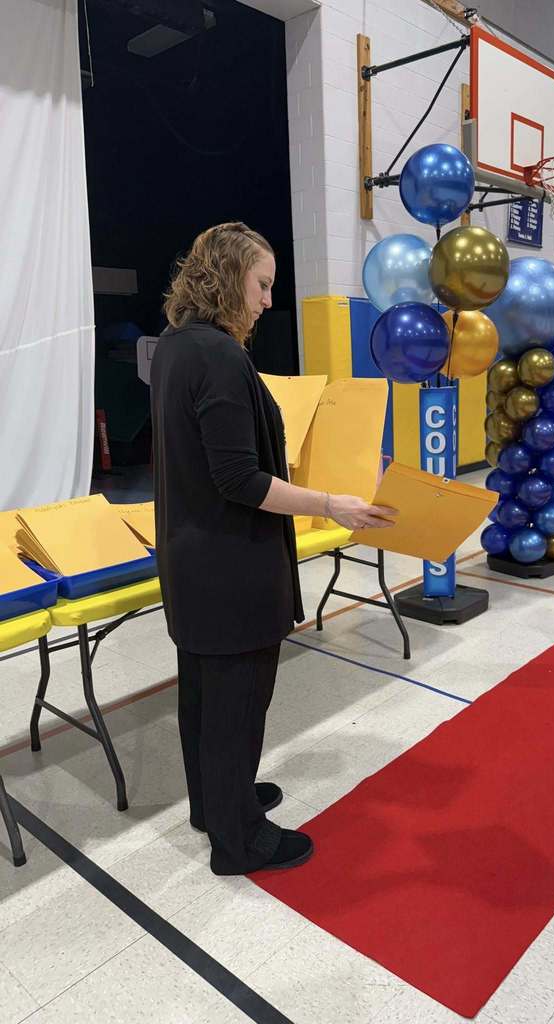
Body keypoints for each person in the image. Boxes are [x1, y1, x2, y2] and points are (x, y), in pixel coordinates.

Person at [151, 222, 395, 875]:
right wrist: (331, 503)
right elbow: (240, 479)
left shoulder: (175, 346)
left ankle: (215, 803)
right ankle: (239, 841)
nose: (266, 301)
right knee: (237, 704)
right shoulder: (221, 357)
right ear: (229, 277)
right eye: (261, 285)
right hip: (229, 566)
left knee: (203, 697)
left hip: (192, 560)